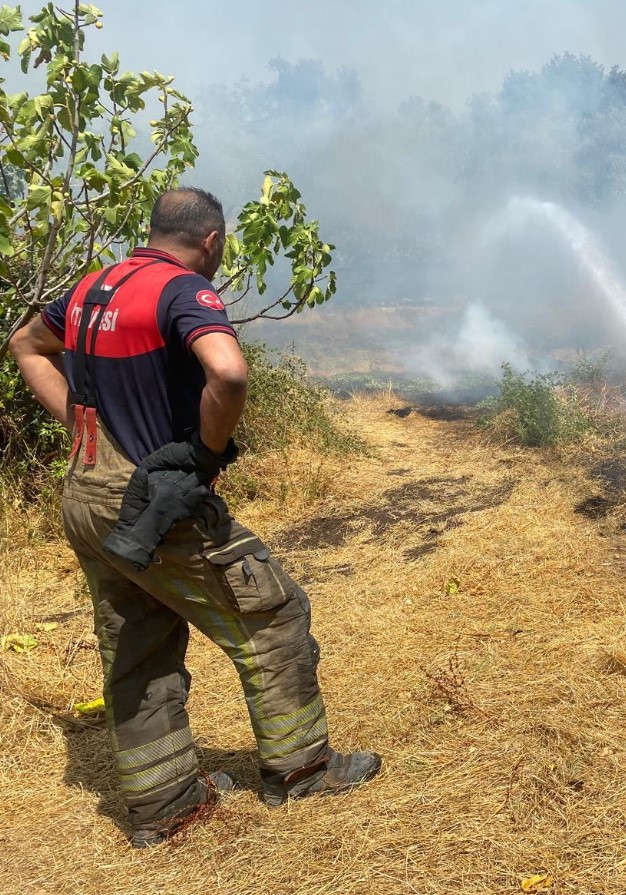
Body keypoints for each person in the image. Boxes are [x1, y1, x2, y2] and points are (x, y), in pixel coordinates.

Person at [11, 187, 380, 848]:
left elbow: (25, 345)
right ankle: (304, 769)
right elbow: (229, 373)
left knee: (138, 640)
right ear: (212, 241)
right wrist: (205, 454)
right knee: (274, 615)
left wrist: (79, 422)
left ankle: (165, 807)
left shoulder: (94, 286)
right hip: (152, 503)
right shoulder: (182, 291)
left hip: (86, 492)